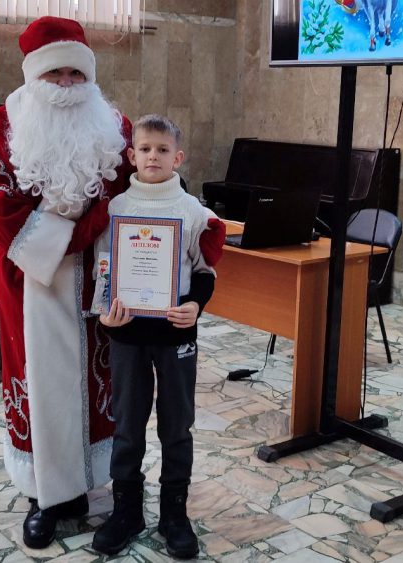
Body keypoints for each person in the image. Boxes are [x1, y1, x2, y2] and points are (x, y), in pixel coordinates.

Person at [0, 16, 134, 549]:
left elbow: (130, 192)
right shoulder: (6, 121)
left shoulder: (115, 125)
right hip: (32, 279)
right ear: (33, 75)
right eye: (55, 73)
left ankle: (94, 485)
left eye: (76, 73)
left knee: (97, 383)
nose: (67, 84)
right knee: (39, 385)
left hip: (99, 277)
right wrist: (80, 229)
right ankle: (43, 496)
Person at [90, 114, 226, 559]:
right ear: (132, 155)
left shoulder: (192, 211)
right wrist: (105, 314)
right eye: (145, 149)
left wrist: (195, 306)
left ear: (178, 157)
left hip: (175, 335)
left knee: (176, 425)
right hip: (127, 334)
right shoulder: (116, 209)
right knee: (127, 424)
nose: (153, 156)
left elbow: (204, 272)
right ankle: (127, 511)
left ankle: (174, 514)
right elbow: (103, 269)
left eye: (163, 150)